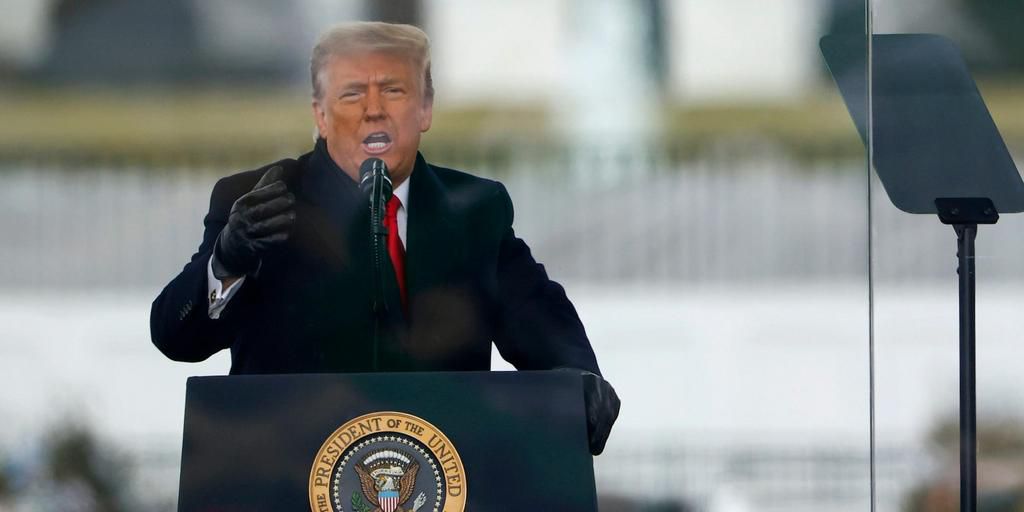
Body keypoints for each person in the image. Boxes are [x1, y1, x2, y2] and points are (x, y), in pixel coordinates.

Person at [150, 21, 619, 455]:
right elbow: (176, 336)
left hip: (444, 479)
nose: (373, 110)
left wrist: (576, 375)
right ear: (320, 114)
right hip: (286, 474)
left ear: (425, 108)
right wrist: (226, 260)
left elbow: (537, 313)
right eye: (352, 93)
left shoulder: (476, 210)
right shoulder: (257, 200)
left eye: (393, 90)